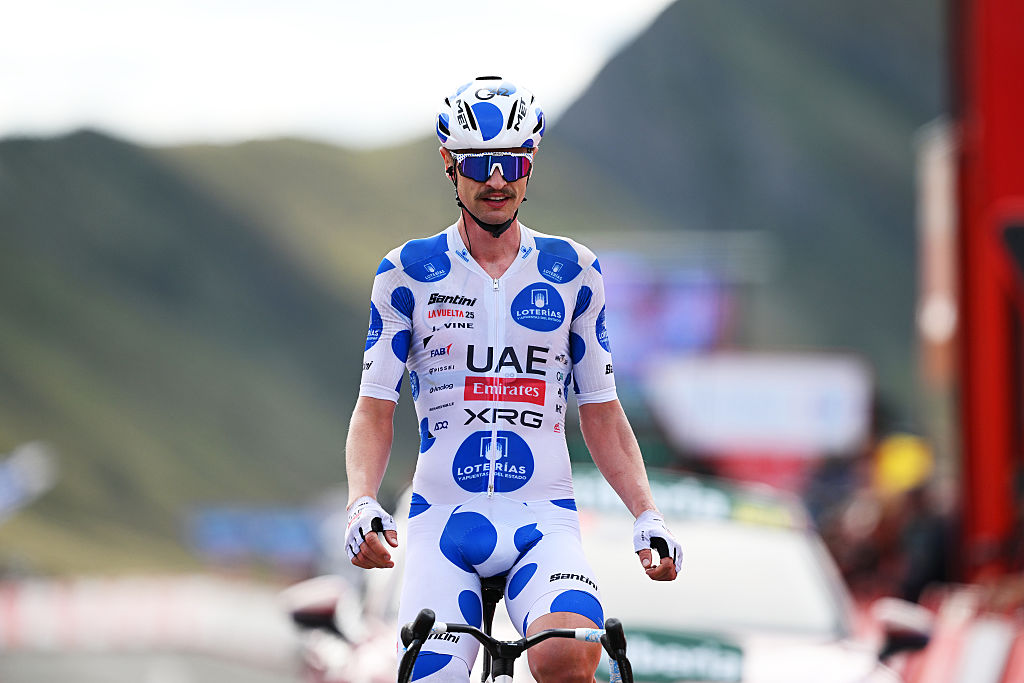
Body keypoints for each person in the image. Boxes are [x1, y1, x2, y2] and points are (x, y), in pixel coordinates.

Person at [344, 76, 682, 683]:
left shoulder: (574, 271)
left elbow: (602, 411)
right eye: (479, 164)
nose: (496, 179)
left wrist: (646, 513)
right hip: (443, 518)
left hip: (543, 519)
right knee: (431, 676)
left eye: (511, 161)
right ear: (450, 165)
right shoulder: (407, 273)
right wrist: (360, 503)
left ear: (530, 165)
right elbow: (375, 407)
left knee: (570, 651)